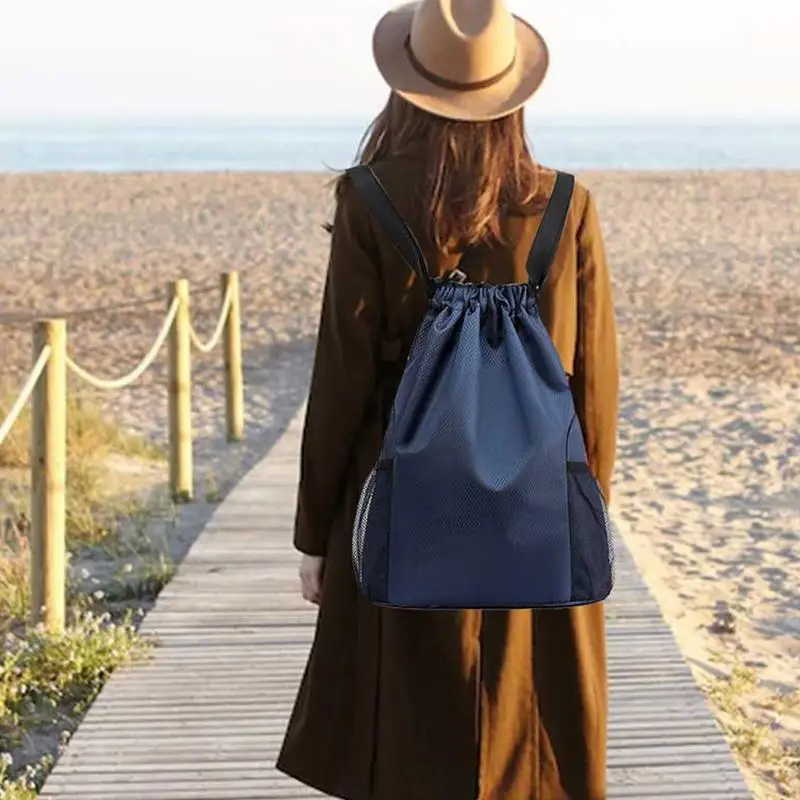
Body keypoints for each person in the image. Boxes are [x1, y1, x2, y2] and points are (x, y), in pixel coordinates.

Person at [276, 1, 619, 798]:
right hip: (534, 502)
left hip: (399, 496)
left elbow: (341, 382)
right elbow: (592, 382)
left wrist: (315, 533)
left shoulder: (371, 200)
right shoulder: (566, 206)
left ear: (405, 89)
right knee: (527, 739)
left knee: (402, 734)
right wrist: (586, 505)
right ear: (514, 95)